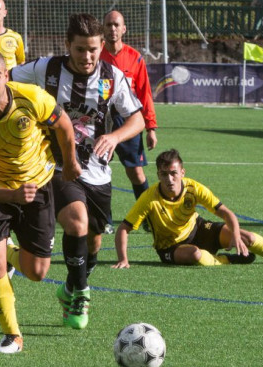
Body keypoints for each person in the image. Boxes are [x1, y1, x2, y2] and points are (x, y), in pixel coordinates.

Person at [10, 13, 145, 330]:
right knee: (76, 221)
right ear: (68, 45)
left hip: (97, 172)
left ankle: (70, 287)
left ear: (101, 47)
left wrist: (114, 136)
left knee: (94, 243)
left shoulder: (112, 77)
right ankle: (82, 292)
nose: (87, 57)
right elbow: (8, 77)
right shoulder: (47, 69)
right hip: (54, 166)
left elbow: (136, 119)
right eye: (80, 49)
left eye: (93, 50)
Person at [0, 49, 80, 353]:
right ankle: (13, 335)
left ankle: (10, 253)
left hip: (39, 186)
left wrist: (71, 163)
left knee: (37, 273)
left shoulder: (32, 97)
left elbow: (63, 125)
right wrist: (10, 195)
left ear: (5, 76)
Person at [112, 149, 263, 269]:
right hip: (170, 246)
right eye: (164, 174)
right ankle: (226, 260)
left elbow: (227, 214)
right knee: (195, 255)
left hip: (198, 229)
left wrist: (236, 236)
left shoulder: (193, 188)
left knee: (248, 238)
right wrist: (123, 259)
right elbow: (124, 228)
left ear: (182, 172)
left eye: (173, 173)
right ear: (158, 174)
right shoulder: (149, 198)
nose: (169, 179)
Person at [100, 10, 158, 229]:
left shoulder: (135, 58)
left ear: (124, 29)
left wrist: (151, 127)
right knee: (99, 169)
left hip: (129, 122)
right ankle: (103, 221)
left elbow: (145, 93)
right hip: (101, 121)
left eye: (116, 25)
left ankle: (146, 218)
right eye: (108, 25)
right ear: (103, 29)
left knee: (135, 171)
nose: (112, 29)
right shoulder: (95, 56)